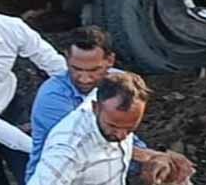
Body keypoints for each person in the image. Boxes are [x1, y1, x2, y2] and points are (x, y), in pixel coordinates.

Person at [26, 26, 193, 183]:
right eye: (76, 69)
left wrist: (161, 165)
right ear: (95, 107)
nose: (84, 78)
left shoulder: (121, 86)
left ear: (110, 61)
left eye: (93, 70)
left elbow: (122, 136)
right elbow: (91, 144)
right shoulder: (53, 102)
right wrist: (152, 157)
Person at [28, 71, 180, 185]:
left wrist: (152, 157)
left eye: (130, 129)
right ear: (95, 108)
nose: (121, 135)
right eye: (113, 126)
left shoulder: (111, 102)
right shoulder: (68, 150)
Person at [0, 0, 67, 185]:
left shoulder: (12, 28)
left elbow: (54, 65)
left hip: (9, 104)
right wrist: (39, 147)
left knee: (31, 174)